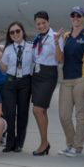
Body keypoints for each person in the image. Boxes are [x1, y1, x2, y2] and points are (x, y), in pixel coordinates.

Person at [57, 6, 84, 157]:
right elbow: (60, 59)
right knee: (64, 115)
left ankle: (78, 147)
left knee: (80, 115)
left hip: (81, 78)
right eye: (73, 15)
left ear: (83, 18)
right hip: (66, 80)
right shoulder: (65, 36)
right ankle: (70, 143)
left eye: (78, 16)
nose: (75, 18)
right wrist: (55, 42)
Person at [0, 21, 34, 153]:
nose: (15, 34)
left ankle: (19, 143)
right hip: (10, 81)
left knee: (23, 113)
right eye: (12, 32)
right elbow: (3, 68)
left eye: (17, 31)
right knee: (10, 113)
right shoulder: (8, 49)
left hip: (25, 81)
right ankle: (10, 142)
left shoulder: (31, 47)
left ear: (23, 32)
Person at [30, 11, 59, 156]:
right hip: (37, 74)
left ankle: (44, 143)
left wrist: (56, 43)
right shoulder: (37, 38)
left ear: (48, 22)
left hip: (48, 74)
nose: (41, 26)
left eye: (43, 23)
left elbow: (59, 59)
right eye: (38, 24)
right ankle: (44, 142)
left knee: (37, 110)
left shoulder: (55, 37)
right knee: (42, 110)